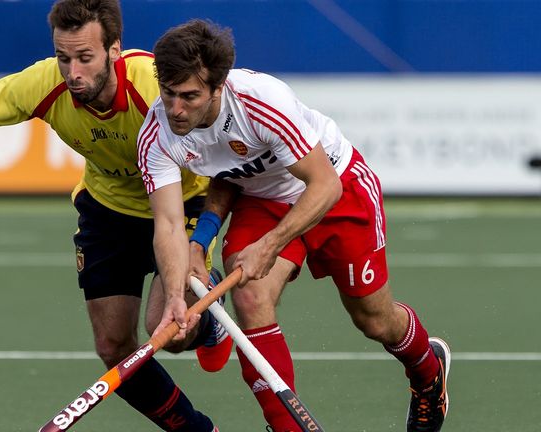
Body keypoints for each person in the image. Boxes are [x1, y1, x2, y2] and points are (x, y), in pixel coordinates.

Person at [0, 2, 231, 431]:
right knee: (114, 346)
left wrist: (205, 234)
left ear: (114, 49)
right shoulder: (44, 82)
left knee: (166, 332)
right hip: (107, 209)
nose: (72, 71)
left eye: (85, 57)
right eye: (64, 58)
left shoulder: (159, 88)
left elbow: (226, 154)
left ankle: (210, 323)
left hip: (180, 203)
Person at [137, 19, 451, 432]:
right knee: (249, 299)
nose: (176, 109)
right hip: (262, 199)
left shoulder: (260, 101)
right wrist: (180, 284)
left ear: (219, 88)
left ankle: (427, 372)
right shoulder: (157, 134)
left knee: (374, 320)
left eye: (190, 97)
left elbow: (325, 186)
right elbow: (170, 222)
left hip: (336, 186)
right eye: (168, 93)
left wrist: (269, 246)